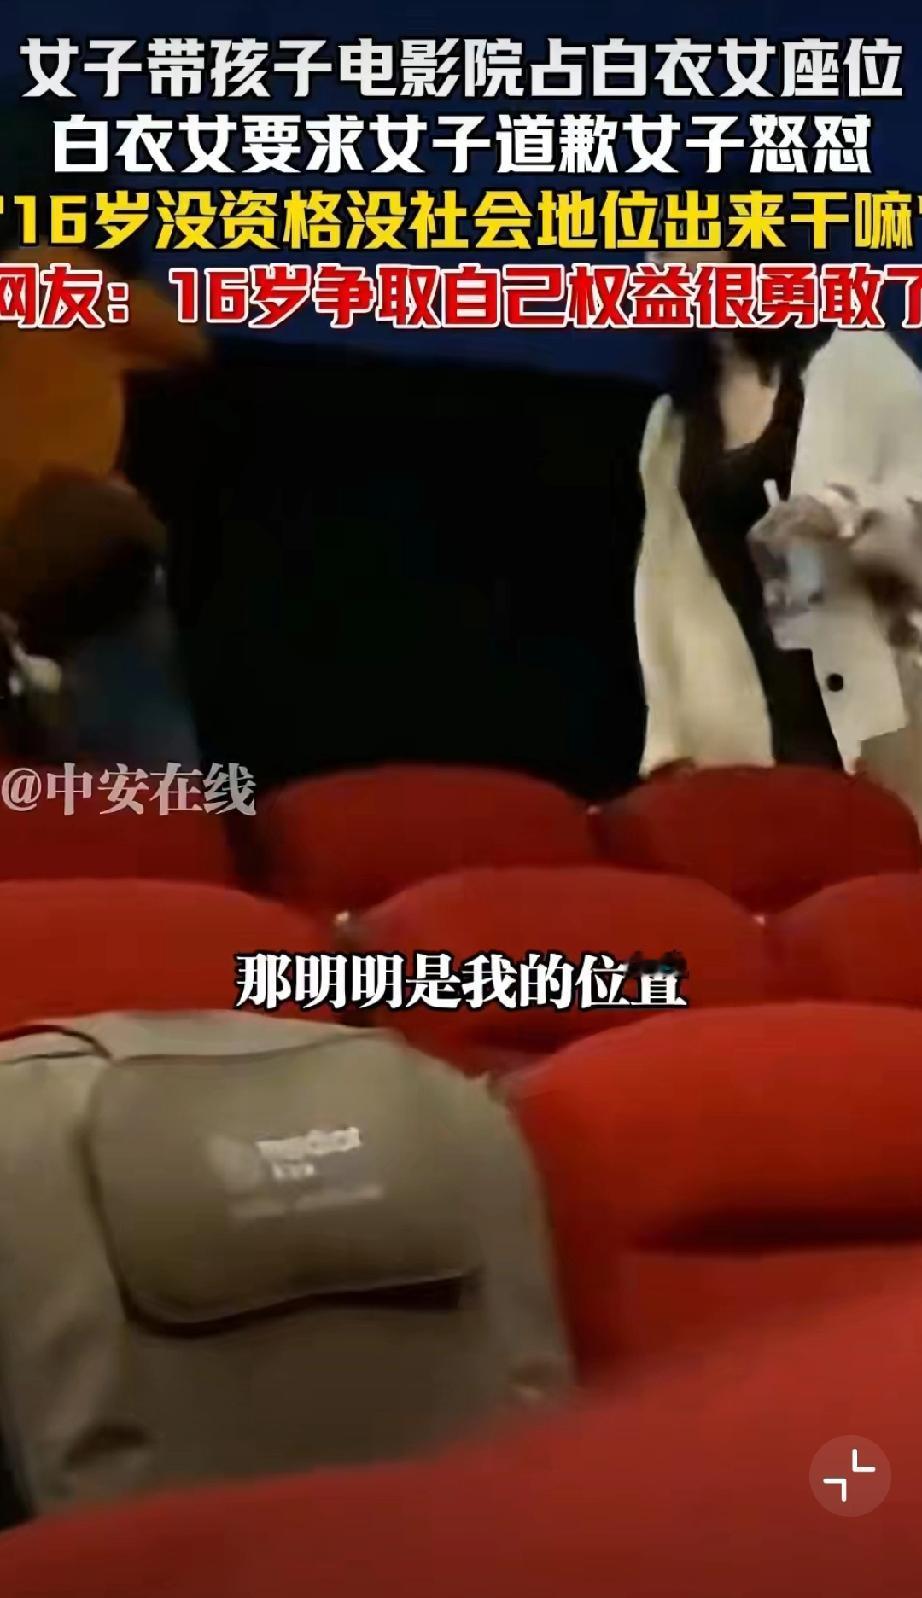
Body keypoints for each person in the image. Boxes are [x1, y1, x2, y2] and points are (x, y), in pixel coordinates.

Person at [634, 224, 922, 827]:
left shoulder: (853, 361)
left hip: (879, 708)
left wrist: (843, 514)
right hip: (750, 730)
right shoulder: (674, 425)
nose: (666, 265)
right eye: (658, 253)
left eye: (687, 244)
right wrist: (669, 737)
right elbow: (663, 589)